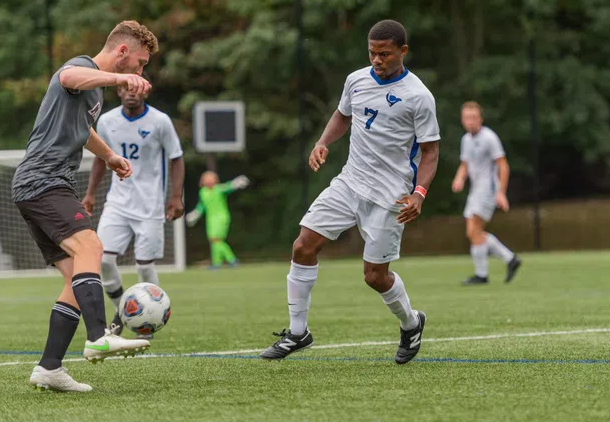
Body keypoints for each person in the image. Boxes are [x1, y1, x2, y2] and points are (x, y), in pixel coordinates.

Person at [260, 19, 440, 365]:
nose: (377, 60)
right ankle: (298, 332)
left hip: (390, 195)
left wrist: (419, 193)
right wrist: (323, 142)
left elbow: (431, 152)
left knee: (374, 276)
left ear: (403, 51)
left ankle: (411, 322)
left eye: (385, 54)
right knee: (303, 245)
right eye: (372, 53)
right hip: (349, 182)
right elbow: (343, 116)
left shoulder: (418, 96)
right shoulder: (356, 80)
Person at [12, 20, 157, 392]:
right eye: (140, 64)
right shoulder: (84, 68)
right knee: (92, 246)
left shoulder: (95, 91)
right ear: (122, 51)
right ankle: (98, 336)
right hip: (42, 181)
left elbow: (82, 129)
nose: (141, 72)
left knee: (75, 274)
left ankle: (49, 368)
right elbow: (67, 77)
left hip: (43, 185)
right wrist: (120, 80)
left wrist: (109, 156)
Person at [82, 83, 185, 337]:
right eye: (125, 88)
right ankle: (123, 315)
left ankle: (149, 324)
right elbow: (100, 158)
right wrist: (90, 193)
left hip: (149, 206)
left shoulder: (160, 121)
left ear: (146, 92)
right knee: (103, 260)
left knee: (145, 267)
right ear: (118, 92)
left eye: (136, 89)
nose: (131, 93)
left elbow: (176, 157)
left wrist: (175, 196)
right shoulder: (107, 121)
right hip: (117, 203)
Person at [452, 101, 522, 285]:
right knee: (473, 232)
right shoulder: (466, 140)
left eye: (474, 117)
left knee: (474, 229)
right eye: (467, 117)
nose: (470, 121)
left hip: (488, 190)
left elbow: (503, 165)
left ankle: (482, 275)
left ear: (480, 119)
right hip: (476, 190)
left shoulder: (490, 138)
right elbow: (465, 165)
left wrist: (501, 192)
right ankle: (510, 258)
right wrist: (459, 178)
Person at [185, 171, 250, 269]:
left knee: (216, 240)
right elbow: (202, 206)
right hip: (210, 219)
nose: (209, 181)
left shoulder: (218, 189)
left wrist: (236, 183)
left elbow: (228, 187)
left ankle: (231, 260)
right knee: (214, 241)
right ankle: (218, 263)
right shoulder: (203, 192)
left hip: (221, 217)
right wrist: (195, 214)